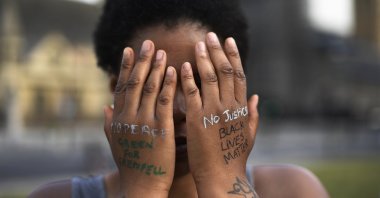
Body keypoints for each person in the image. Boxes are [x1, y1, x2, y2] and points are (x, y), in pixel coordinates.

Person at [29, 0, 329, 197]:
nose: (180, 109)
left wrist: (222, 181)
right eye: (156, 85)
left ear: (240, 95)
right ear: (117, 95)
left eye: (204, 84)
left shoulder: (293, 190)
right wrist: (144, 189)